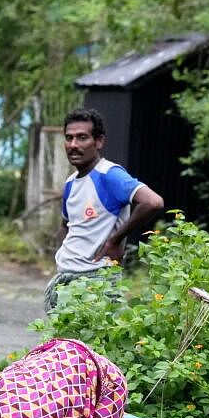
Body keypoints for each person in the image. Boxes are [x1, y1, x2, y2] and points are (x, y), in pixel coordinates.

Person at [44, 108, 164, 312]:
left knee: (96, 341)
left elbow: (153, 202)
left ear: (99, 142)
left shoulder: (109, 174)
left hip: (97, 280)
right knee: (66, 342)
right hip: (65, 277)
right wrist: (62, 253)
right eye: (69, 138)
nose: (73, 145)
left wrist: (114, 241)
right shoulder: (71, 183)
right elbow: (66, 225)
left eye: (82, 138)